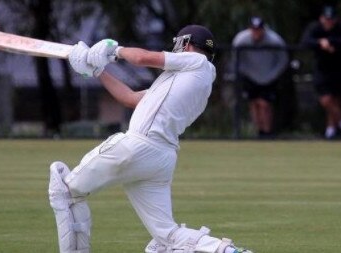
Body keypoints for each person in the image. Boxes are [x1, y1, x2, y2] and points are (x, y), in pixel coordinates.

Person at [48, 24, 253, 253]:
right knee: (166, 236)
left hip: (139, 146)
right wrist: (96, 71)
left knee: (65, 191)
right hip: (160, 160)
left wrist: (114, 50)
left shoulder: (198, 63)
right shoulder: (187, 83)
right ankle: (226, 251)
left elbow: (143, 58)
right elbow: (130, 98)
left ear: (185, 43)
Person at [232, 17, 289, 139]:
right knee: (254, 104)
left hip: (269, 76)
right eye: (254, 30)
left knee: (265, 104)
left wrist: (273, 75)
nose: (256, 33)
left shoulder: (275, 41)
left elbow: (283, 60)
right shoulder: (241, 40)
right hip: (250, 76)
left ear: (264, 30)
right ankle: (259, 131)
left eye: (259, 30)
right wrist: (247, 72)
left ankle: (267, 132)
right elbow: (236, 59)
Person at [301, 5, 341, 139]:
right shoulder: (315, 28)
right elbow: (305, 42)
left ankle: (330, 131)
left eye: (331, 19)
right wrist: (320, 43)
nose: (328, 22)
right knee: (326, 100)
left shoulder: (338, 29)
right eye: (326, 19)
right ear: (321, 18)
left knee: (335, 100)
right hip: (322, 70)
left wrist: (331, 43)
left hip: (338, 70)